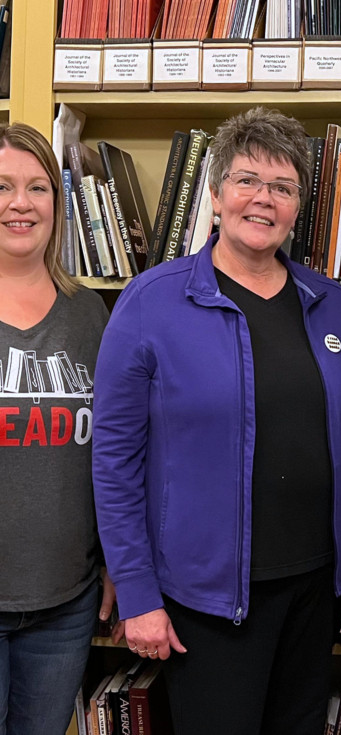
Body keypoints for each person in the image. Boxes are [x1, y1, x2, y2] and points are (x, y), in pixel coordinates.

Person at [92, 106, 341, 735]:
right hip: (203, 600)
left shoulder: (330, 306)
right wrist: (138, 593)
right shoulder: (149, 303)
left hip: (315, 590)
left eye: (282, 187)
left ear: (298, 205)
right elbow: (115, 462)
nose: (263, 199)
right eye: (248, 180)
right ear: (217, 192)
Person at [0, 122, 120, 735]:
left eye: (38, 188)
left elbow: (112, 452)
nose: (20, 203)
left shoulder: (90, 313)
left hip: (64, 603)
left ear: (58, 202)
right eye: (3, 186)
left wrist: (112, 564)